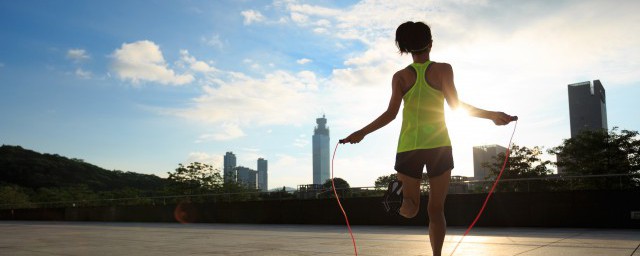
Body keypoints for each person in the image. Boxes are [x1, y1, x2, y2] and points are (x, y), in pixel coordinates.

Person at [340, 21, 515, 256]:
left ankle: (395, 198)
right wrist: (492, 115)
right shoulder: (444, 69)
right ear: (430, 43)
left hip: (408, 147)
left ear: (405, 49)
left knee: (410, 209)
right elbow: (456, 106)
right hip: (439, 146)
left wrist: (361, 133)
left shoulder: (400, 77)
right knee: (436, 210)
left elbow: (390, 115)